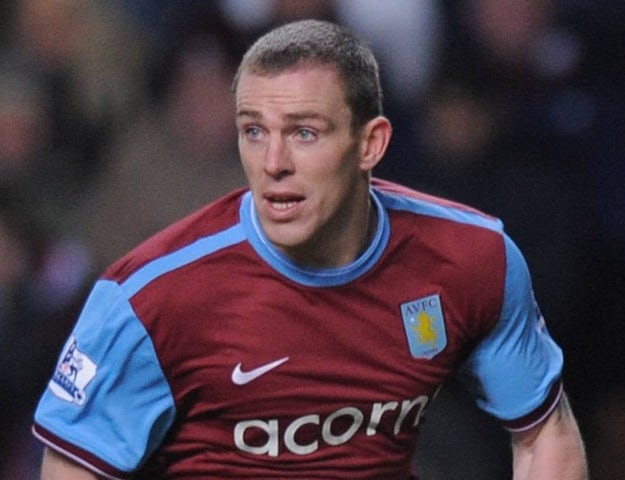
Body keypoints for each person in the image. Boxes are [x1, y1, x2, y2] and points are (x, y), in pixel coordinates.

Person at [32, 19, 588, 479]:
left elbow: (545, 436)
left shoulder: (472, 259)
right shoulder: (148, 298)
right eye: (253, 131)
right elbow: (71, 469)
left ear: (371, 143)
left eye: (303, 132)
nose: (273, 163)